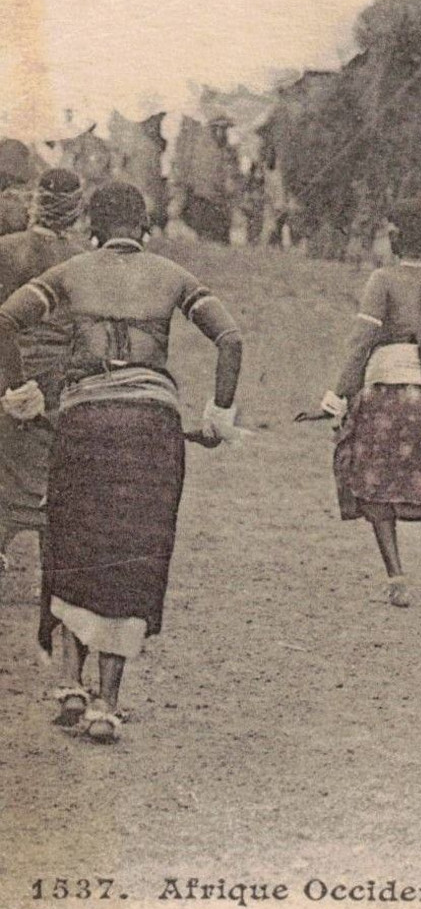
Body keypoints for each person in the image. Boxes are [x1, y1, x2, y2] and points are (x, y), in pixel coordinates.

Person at [0, 181, 243, 743]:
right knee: (134, 554)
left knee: (72, 540)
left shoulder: (71, 273)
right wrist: (219, 416)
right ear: (146, 226)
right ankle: (107, 704)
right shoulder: (172, 276)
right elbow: (229, 339)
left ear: (91, 227)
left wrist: (22, 391)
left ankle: (68, 683)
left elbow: (6, 321)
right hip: (152, 422)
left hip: (85, 418)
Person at [320, 199, 421, 608]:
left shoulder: (383, 281)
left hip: (388, 386)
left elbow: (360, 344)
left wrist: (337, 395)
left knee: (375, 482)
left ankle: (397, 579)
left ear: (393, 238)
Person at [0, 169, 87, 573]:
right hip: (62, 377)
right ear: (76, 209)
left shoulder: (8, 249)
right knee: (54, 480)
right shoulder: (85, 257)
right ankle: (52, 579)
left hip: (9, 370)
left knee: (7, 475)